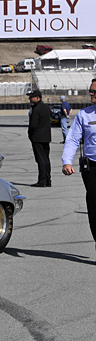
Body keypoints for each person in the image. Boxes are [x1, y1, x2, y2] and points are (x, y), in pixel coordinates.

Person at [62, 79, 96, 247]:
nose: (91, 94)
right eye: (90, 90)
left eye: (94, 92)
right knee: (94, 206)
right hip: (92, 168)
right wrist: (67, 161)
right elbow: (73, 140)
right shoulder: (84, 114)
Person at [27, 90, 51, 187]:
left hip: (37, 137)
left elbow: (33, 125)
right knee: (46, 159)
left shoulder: (36, 109)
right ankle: (48, 180)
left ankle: (42, 181)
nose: (29, 99)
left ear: (38, 97)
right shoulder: (46, 107)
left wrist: (30, 133)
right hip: (46, 136)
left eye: (31, 97)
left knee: (40, 159)